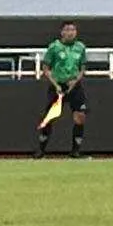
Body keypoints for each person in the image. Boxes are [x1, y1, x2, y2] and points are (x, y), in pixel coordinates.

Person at [34, 23, 89, 157]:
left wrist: (75, 81)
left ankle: (75, 151)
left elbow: (82, 68)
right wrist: (55, 84)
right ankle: (41, 150)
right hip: (57, 86)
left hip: (74, 87)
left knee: (80, 117)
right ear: (62, 32)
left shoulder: (80, 47)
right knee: (50, 117)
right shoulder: (54, 47)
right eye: (67, 30)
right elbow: (46, 69)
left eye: (73, 30)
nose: (70, 33)